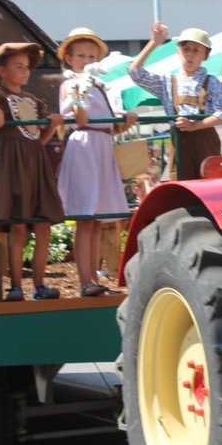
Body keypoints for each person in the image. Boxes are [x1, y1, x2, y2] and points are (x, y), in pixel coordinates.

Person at [0, 43, 65, 301]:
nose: (25, 72)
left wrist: (52, 125)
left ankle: (39, 286)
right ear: (3, 70)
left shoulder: (33, 100)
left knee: (43, 227)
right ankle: (16, 285)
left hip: (36, 164)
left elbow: (38, 140)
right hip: (13, 165)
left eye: (27, 67)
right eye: (18, 67)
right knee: (18, 228)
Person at [55, 28, 137, 297]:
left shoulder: (100, 86)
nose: (87, 60)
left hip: (101, 146)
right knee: (85, 217)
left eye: (91, 56)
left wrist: (123, 120)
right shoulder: (71, 85)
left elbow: (109, 125)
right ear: (69, 58)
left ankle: (93, 279)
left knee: (95, 220)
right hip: (84, 146)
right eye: (81, 55)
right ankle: (85, 280)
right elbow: (79, 119)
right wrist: (80, 94)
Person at [128, 22, 222, 179]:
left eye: (196, 50)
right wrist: (154, 43)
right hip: (179, 142)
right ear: (178, 51)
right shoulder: (168, 82)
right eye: (186, 49)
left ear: (205, 56)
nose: (190, 54)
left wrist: (195, 125)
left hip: (205, 142)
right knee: (182, 184)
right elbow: (135, 73)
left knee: (210, 183)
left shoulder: (212, 82)